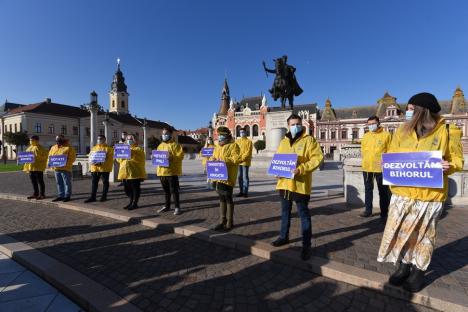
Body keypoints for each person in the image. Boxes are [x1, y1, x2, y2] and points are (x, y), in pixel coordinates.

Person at [378, 92, 464, 292]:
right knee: (405, 234)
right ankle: (404, 266)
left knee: (425, 235)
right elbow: (391, 154)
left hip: (430, 195)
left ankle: (418, 271)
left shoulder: (448, 131)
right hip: (403, 193)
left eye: (409, 109)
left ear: (420, 110)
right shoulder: (402, 131)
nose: (406, 112)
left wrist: (448, 165)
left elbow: (458, 161)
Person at [270, 114, 324, 260]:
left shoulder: (309, 140)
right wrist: (276, 171)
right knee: (285, 212)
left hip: (300, 184)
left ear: (301, 124)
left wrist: (302, 168)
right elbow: (278, 158)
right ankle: (283, 236)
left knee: (303, 215)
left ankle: (306, 245)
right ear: (288, 126)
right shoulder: (283, 142)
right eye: (293, 124)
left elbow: (317, 158)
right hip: (284, 183)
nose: (295, 126)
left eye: (297, 124)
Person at [360, 116, 392, 221]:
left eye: (373, 123)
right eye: (369, 124)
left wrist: (387, 162)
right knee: (368, 190)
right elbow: (363, 151)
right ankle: (368, 210)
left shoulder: (386, 135)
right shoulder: (365, 136)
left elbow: (391, 150)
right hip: (367, 168)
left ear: (378, 123)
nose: (371, 126)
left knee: (383, 192)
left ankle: (384, 213)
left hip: (381, 168)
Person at [210, 127, 240, 231]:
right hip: (217, 177)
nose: (219, 137)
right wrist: (212, 159)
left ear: (227, 135)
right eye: (218, 135)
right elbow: (213, 157)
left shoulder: (233, 145)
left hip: (227, 177)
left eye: (221, 135)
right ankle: (222, 220)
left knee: (228, 198)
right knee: (221, 198)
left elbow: (236, 159)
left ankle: (230, 222)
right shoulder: (217, 147)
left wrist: (224, 159)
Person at [157, 128, 184, 215]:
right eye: (163, 134)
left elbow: (180, 156)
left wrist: (172, 157)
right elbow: (157, 157)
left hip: (171, 172)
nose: (164, 135)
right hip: (161, 171)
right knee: (166, 191)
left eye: (166, 134)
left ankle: (177, 207)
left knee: (174, 191)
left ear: (170, 135)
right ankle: (167, 206)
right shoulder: (160, 145)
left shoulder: (176, 145)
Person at [117, 134, 146, 210]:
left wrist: (131, 152)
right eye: (128, 139)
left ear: (134, 140)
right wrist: (118, 154)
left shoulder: (138, 149)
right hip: (125, 172)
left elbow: (141, 160)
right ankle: (131, 201)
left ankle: (134, 203)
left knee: (135, 189)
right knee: (127, 190)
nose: (129, 140)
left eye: (131, 139)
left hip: (134, 173)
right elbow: (119, 160)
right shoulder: (123, 148)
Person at [84, 135, 114, 203]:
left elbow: (110, 159)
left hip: (104, 169)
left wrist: (102, 162)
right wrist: (91, 164)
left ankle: (104, 196)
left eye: (100, 139)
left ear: (104, 139)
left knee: (105, 183)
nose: (99, 140)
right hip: (95, 168)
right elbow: (90, 157)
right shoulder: (94, 148)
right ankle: (93, 197)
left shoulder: (109, 149)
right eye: (98, 139)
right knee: (94, 183)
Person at [48, 135, 77, 202]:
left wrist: (65, 163)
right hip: (56, 169)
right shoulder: (53, 147)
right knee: (59, 183)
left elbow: (72, 158)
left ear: (63, 139)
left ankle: (67, 196)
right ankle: (61, 195)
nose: (58, 140)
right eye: (57, 139)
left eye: (60, 139)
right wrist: (49, 163)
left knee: (67, 183)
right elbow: (49, 156)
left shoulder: (68, 147)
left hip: (65, 169)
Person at [23, 135, 48, 200]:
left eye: (32, 140)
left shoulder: (41, 148)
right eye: (30, 140)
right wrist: (21, 159)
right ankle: (35, 194)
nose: (31, 141)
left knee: (40, 181)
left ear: (37, 140)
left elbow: (45, 157)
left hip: (38, 167)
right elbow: (26, 157)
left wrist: (36, 157)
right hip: (31, 167)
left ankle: (42, 194)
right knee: (33, 181)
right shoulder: (29, 148)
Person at [235, 127, 253, 197]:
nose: (242, 133)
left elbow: (248, 152)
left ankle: (245, 192)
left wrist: (242, 158)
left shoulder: (249, 142)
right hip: (239, 161)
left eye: (243, 132)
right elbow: (235, 151)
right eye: (240, 132)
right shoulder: (237, 141)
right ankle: (241, 191)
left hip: (245, 161)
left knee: (245, 177)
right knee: (239, 177)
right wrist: (237, 158)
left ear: (245, 133)